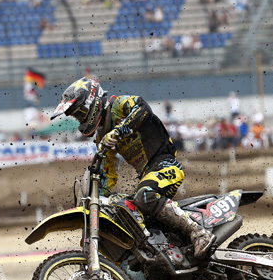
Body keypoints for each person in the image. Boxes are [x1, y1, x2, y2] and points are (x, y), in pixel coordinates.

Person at [51, 77, 216, 267]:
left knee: (145, 195)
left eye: (80, 112)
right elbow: (109, 174)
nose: (80, 118)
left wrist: (120, 131)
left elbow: (143, 108)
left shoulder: (120, 105)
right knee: (118, 207)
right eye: (76, 116)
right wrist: (95, 201)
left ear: (92, 102)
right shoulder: (102, 137)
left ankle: (199, 233)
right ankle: (154, 254)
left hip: (166, 165)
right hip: (147, 174)